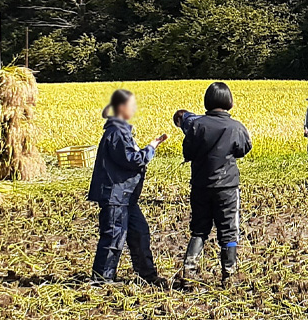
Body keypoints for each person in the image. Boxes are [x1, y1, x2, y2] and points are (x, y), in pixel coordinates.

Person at [89, 90, 168, 285]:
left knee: (139, 233)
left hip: (126, 196)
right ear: (122, 107)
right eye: (131, 105)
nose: (134, 109)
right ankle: (102, 280)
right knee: (114, 238)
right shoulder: (117, 133)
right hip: (116, 194)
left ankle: (147, 275)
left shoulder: (119, 130)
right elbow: (132, 160)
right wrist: (151, 148)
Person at [181, 82, 252, 284]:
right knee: (229, 229)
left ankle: (189, 270)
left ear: (207, 102)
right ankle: (229, 274)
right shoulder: (236, 127)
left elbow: (188, 152)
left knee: (200, 229)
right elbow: (243, 149)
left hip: (200, 185)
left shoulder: (196, 125)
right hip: (227, 187)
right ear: (229, 102)